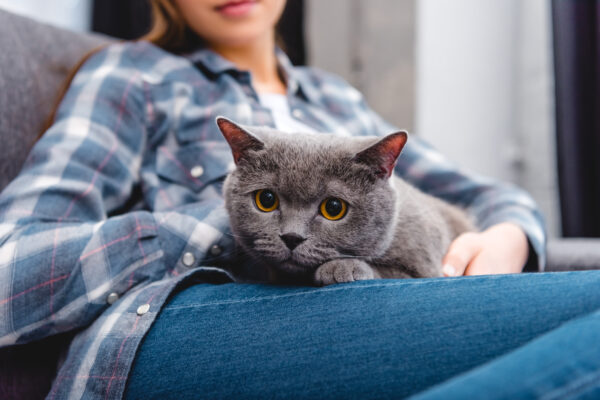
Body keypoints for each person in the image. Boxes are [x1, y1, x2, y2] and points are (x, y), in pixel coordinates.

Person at [0, 0, 597, 398]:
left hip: (367, 304)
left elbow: (485, 194)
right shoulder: (133, 77)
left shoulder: (338, 101)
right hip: (195, 325)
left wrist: (508, 236)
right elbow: (11, 270)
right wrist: (222, 225)